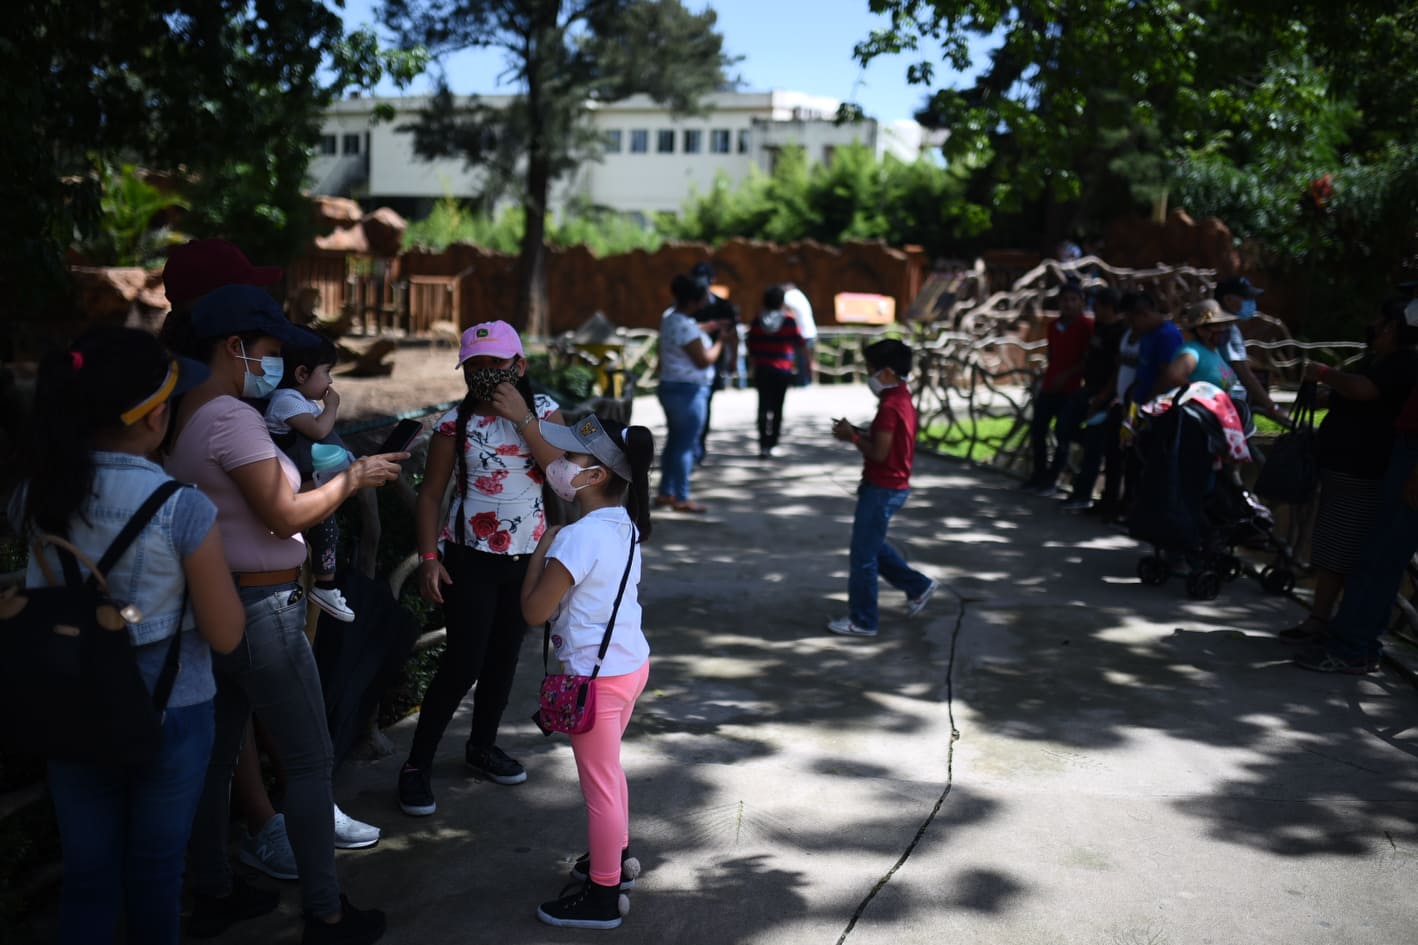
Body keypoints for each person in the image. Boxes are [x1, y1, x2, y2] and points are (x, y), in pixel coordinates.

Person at [165, 284, 404, 945]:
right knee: (307, 759)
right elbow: (285, 512)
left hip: (215, 602)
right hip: (262, 606)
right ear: (233, 347)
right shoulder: (232, 418)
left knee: (218, 757)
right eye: (268, 349)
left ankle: (213, 888)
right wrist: (353, 480)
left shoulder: (186, 413)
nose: (273, 362)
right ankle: (326, 913)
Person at [8, 328, 244, 945]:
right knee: (156, 875)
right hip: (169, 716)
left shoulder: (36, 497)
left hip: (68, 707)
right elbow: (224, 636)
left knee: (87, 876)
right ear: (157, 416)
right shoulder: (182, 508)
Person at [398, 320, 567, 816]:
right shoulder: (456, 423)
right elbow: (431, 494)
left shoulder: (547, 413)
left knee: (504, 658)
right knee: (462, 663)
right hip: (470, 559)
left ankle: (481, 746)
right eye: (475, 366)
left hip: (528, 560)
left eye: (497, 365)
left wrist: (523, 419)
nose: (487, 375)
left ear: (520, 366)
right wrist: (430, 557)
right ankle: (416, 765)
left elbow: (561, 477)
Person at [521, 414, 655, 929]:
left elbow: (533, 611)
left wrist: (540, 552)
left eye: (571, 458)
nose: (559, 464)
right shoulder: (624, 524)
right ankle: (616, 859)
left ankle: (603, 896)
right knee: (609, 772)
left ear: (596, 475)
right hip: (627, 666)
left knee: (598, 788)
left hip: (592, 681)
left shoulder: (574, 538)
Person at [1281, 297, 1418, 645]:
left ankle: (1337, 628)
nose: (1373, 326)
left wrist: (1325, 374)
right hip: (1345, 470)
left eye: (1379, 320)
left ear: (1392, 328)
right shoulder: (1376, 360)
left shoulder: (1403, 363)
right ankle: (1325, 620)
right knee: (1333, 547)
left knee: (1346, 551)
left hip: (1364, 472)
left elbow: (1365, 390)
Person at [827, 338, 938, 637]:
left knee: (863, 557)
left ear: (886, 372)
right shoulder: (901, 396)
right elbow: (886, 442)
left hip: (883, 487)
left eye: (871, 369)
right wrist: (858, 432)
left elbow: (879, 453)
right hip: (890, 485)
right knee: (872, 546)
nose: (869, 376)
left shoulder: (890, 405)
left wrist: (852, 437)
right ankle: (918, 586)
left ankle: (863, 620)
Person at [265, 335, 355, 622]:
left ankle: (324, 584)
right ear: (301, 373)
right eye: (327, 372)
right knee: (326, 531)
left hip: (307, 479)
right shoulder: (285, 400)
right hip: (297, 485)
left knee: (327, 529)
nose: (330, 382)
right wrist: (332, 407)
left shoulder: (298, 399)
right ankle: (325, 585)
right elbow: (318, 431)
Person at [656, 274, 726, 513]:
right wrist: (721, 341)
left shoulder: (670, 317)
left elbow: (685, 330)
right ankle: (682, 496)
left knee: (675, 442)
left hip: (671, 387)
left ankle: (666, 492)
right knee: (686, 445)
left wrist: (706, 328)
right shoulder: (686, 326)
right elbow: (704, 360)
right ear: (695, 301)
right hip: (689, 391)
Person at [1023, 278, 1093, 496]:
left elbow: (1087, 358)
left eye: (1073, 300)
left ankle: (1053, 479)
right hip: (1050, 386)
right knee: (1038, 430)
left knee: (1062, 434)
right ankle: (1039, 475)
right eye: (1065, 300)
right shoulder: (1053, 326)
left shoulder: (1087, 326)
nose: (1068, 304)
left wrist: (1069, 374)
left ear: (1081, 302)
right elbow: (1053, 354)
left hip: (1071, 388)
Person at [1063, 286, 1125, 511]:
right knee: (1064, 428)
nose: (1093, 310)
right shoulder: (1097, 327)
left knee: (1096, 448)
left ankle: (1085, 494)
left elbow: (1117, 370)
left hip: (1106, 395)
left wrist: (1102, 397)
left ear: (1109, 308)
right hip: (1088, 389)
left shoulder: (1121, 332)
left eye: (1097, 306)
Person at [1213, 276, 1284, 424]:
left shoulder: (1230, 328)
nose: (1251, 303)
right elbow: (1243, 373)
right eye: (1246, 298)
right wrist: (1273, 407)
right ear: (1228, 300)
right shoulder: (1226, 330)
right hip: (1226, 406)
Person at [747, 285, 806, 458]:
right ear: (781, 301)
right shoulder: (789, 321)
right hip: (782, 370)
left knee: (763, 407)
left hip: (762, 369)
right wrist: (806, 364)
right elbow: (800, 343)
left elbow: (751, 346)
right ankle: (773, 442)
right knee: (778, 407)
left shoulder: (757, 321)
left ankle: (763, 444)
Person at [689, 261, 738, 464]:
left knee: (703, 405)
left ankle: (697, 444)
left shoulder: (723, 306)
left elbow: (732, 334)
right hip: (690, 364)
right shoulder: (685, 308)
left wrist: (733, 358)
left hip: (711, 364)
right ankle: (694, 445)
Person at [1157, 300, 1240, 395]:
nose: (1224, 329)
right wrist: (1202, 397)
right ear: (1201, 330)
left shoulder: (1214, 351)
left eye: (1225, 325)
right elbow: (1175, 376)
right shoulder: (1192, 352)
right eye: (1218, 326)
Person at [782, 283, 819, 386]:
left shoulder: (788, 296)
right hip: (810, 331)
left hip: (803, 333)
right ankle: (806, 381)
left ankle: (802, 383)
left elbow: (783, 311)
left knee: (801, 360)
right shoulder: (799, 294)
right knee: (806, 359)